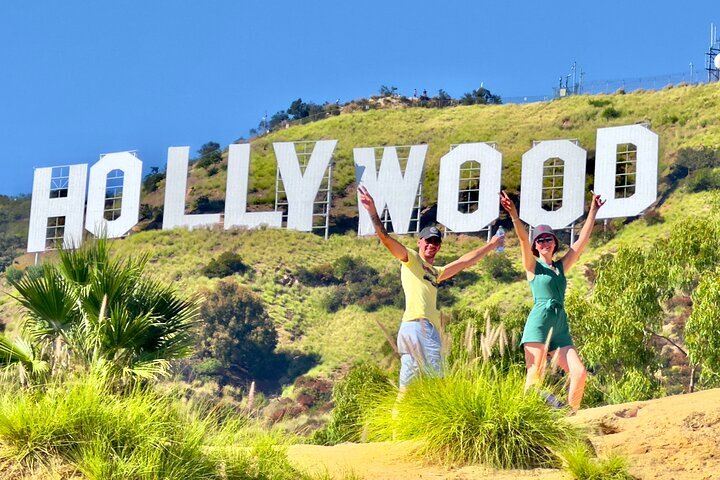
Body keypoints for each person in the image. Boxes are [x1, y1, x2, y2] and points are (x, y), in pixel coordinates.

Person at [358, 185, 503, 390]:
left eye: (436, 242)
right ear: (420, 242)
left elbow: (465, 261)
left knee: (414, 387)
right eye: (428, 240)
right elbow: (386, 238)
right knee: (435, 383)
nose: (432, 245)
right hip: (416, 326)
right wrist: (372, 211)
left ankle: (402, 418)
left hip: (423, 329)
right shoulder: (411, 258)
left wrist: (491, 244)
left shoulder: (436, 272)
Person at [499, 191, 604, 412]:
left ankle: (571, 414)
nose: (544, 242)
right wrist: (514, 215)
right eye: (540, 240)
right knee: (535, 374)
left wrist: (593, 210)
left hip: (559, 324)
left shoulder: (560, 267)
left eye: (548, 239)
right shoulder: (533, 266)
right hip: (540, 321)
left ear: (554, 243)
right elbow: (521, 239)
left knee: (579, 372)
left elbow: (582, 241)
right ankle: (530, 415)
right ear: (535, 246)